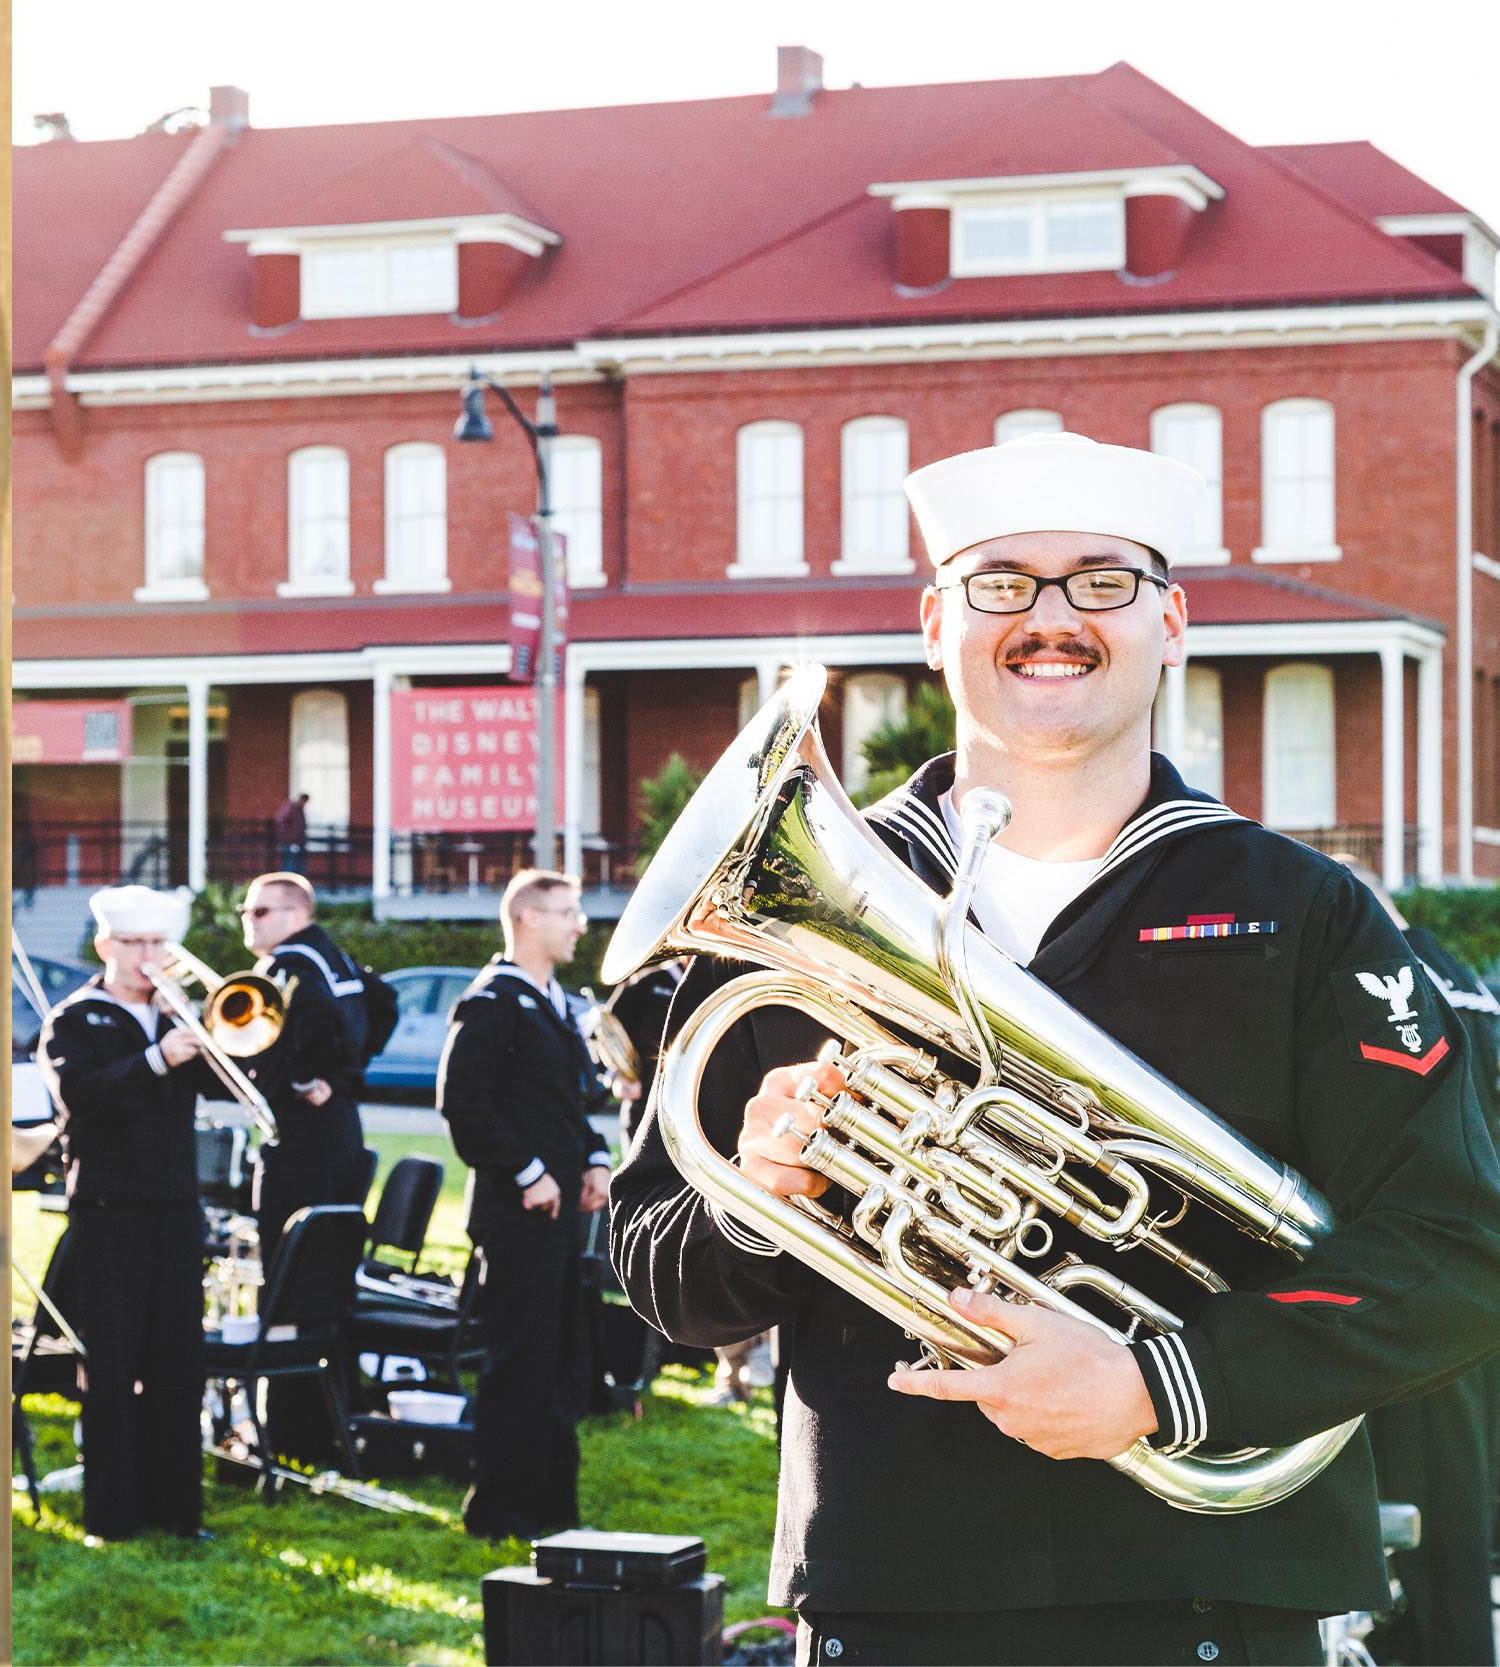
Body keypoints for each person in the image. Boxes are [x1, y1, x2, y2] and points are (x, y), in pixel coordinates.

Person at [610, 430, 1500, 1664]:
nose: (1049, 617)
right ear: (935, 623)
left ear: (1169, 620)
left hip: (1216, 1603)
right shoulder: (783, 916)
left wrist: (1159, 1382)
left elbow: (1454, 1254)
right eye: (1001, 583)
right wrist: (762, 1196)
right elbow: (661, 1273)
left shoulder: (1305, 910)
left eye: (1099, 580)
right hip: (891, 1599)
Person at [1337, 860, 1499, 1667]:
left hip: (1416, 1264)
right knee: (1459, 1496)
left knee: (1422, 1499)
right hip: (1473, 1263)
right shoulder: (1463, 972)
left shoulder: (1387, 976)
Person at [36, 884, 213, 1545]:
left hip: (175, 1207)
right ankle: (112, 1515)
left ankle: (178, 1511)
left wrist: (194, 1030)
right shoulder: (76, 1018)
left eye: (158, 943)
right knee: (109, 1368)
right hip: (108, 1211)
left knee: (179, 1365)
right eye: (134, 943)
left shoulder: (176, 1015)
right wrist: (154, 1059)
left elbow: (230, 1076)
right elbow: (80, 1097)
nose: (148, 955)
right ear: (106, 945)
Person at [438, 868, 612, 1541]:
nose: (579, 924)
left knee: (560, 1359)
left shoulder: (553, 999)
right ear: (530, 919)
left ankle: (551, 1510)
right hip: (518, 1216)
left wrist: (594, 1156)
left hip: (561, 1214)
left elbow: (564, 1103)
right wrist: (530, 1171)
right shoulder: (491, 999)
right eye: (567, 911)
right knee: (518, 1362)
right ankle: (501, 1512)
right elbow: (462, 1105)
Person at [236, 870, 369, 1276]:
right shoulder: (333, 957)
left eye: (259, 911)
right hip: (338, 1127)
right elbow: (383, 1005)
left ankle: (285, 1338)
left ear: (295, 916)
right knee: (323, 1258)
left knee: (288, 1258)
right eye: (245, 910)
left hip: (302, 1134)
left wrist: (306, 1079)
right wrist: (343, 1077)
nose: (248, 919)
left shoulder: (288, 964)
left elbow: (318, 1017)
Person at [271, 791, 309, 874]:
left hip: (298, 842)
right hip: (290, 842)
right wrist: (288, 838)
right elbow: (280, 821)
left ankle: (295, 884)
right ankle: (285, 884)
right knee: (289, 864)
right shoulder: (291, 808)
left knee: (298, 866)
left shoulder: (299, 810)